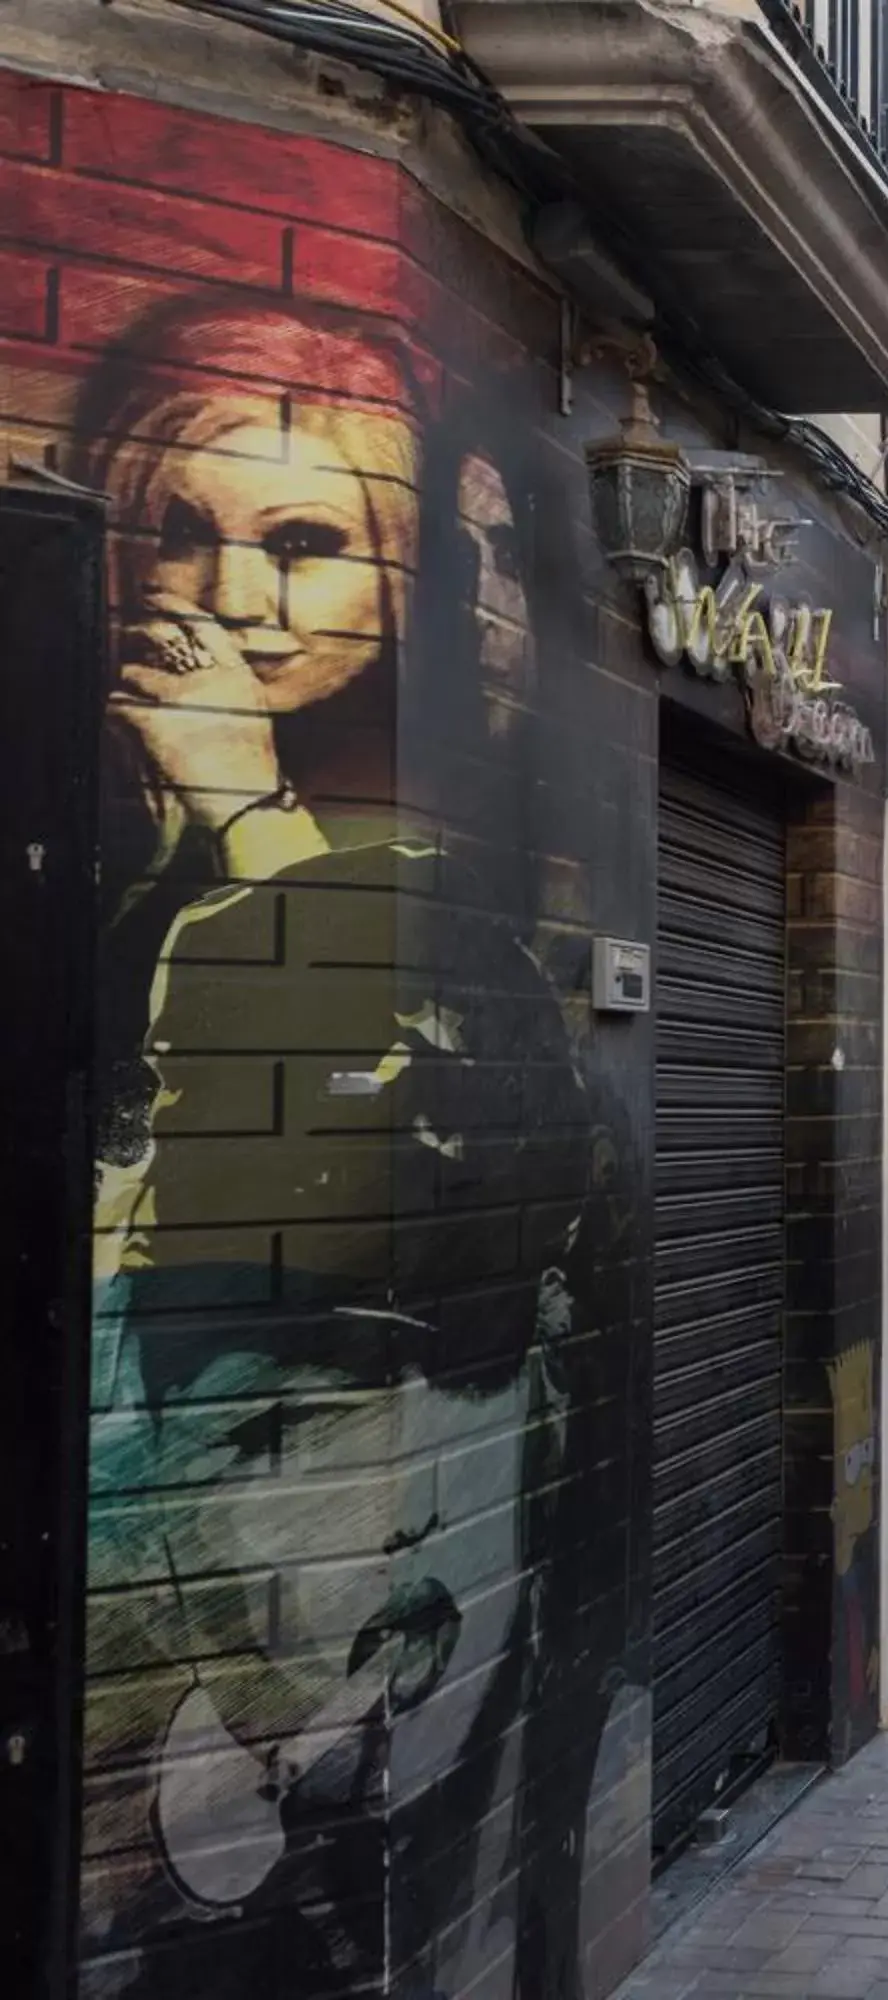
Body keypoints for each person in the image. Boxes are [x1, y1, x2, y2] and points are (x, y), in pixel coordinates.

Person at [78, 294, 639, 2000]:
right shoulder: (102, 803)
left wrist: (248, 819)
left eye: (304, 545)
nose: (229, 596)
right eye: (182, 530)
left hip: (292, 1665)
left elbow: (472, 1157)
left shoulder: (426, 877)